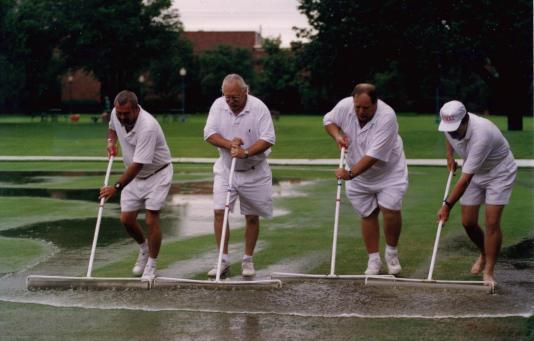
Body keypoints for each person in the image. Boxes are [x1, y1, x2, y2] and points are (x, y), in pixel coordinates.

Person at [323, 83, 408, 275]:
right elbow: (328, 121)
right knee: (367, 214)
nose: (360, 111)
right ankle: (373, 260)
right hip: (357, 171)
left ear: (376, 103)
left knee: (390, 210)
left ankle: (392, 253)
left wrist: (350, 174)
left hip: (389, 172)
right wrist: (337, 136)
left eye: (365, 108)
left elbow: (373, 157)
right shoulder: (345, 105)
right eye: (357, 107)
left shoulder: (388, 117)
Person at [203, 74, 276, 278]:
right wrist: (229, 144)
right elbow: (209, 133)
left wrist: (246, 152)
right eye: (227, 97)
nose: (230, 101)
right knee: (220, 212)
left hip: (255, 171)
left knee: (252, 216)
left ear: (246, 92)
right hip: (226, 169)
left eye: (234, 97)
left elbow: (268, 139)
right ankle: (222, 260)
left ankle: (247, 259)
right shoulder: (218, 105)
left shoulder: (259, 107)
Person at [436, 100, 517, 284]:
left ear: (466, 120)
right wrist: (450, 156)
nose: (452, 133)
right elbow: (447, 137)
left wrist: (447, 206)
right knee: (468, 222)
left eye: (455, 129)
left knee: (491, 222)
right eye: (449, 129)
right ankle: (484, 252)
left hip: (499, 172)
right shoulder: (450, 128)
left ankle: (488, 271)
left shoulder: (482, 134)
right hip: (474, 170)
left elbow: (464, 180)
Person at [99, 90, 173, 281]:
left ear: (136, 109)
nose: (121, 117)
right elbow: (112, 128)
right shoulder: (117, 114)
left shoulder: (147, 127)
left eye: (126, 113)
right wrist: (110, 142)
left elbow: (139, 164)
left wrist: (115, 187)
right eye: (119, 113)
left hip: (157, 174)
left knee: (151, 219)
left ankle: (152, 265)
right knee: (126, 219)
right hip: (134, 177)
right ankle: (144, 249)